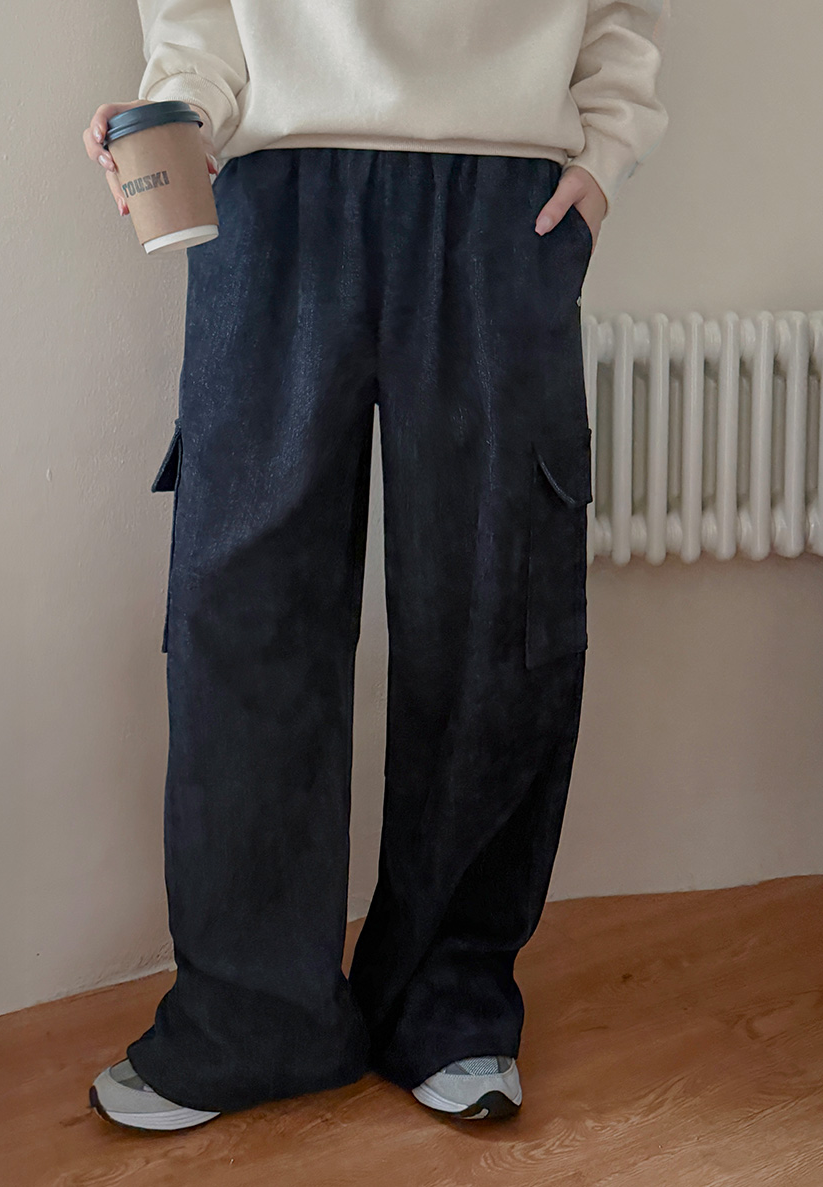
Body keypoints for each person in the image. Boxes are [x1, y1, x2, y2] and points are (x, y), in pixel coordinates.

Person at [83, 0, 669, 1132]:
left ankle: (447, 999)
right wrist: (178, 112)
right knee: (243, 609)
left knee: (499, 609)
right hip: (266, 177)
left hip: (506, 191)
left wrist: (604, 155)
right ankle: (250, 1014)